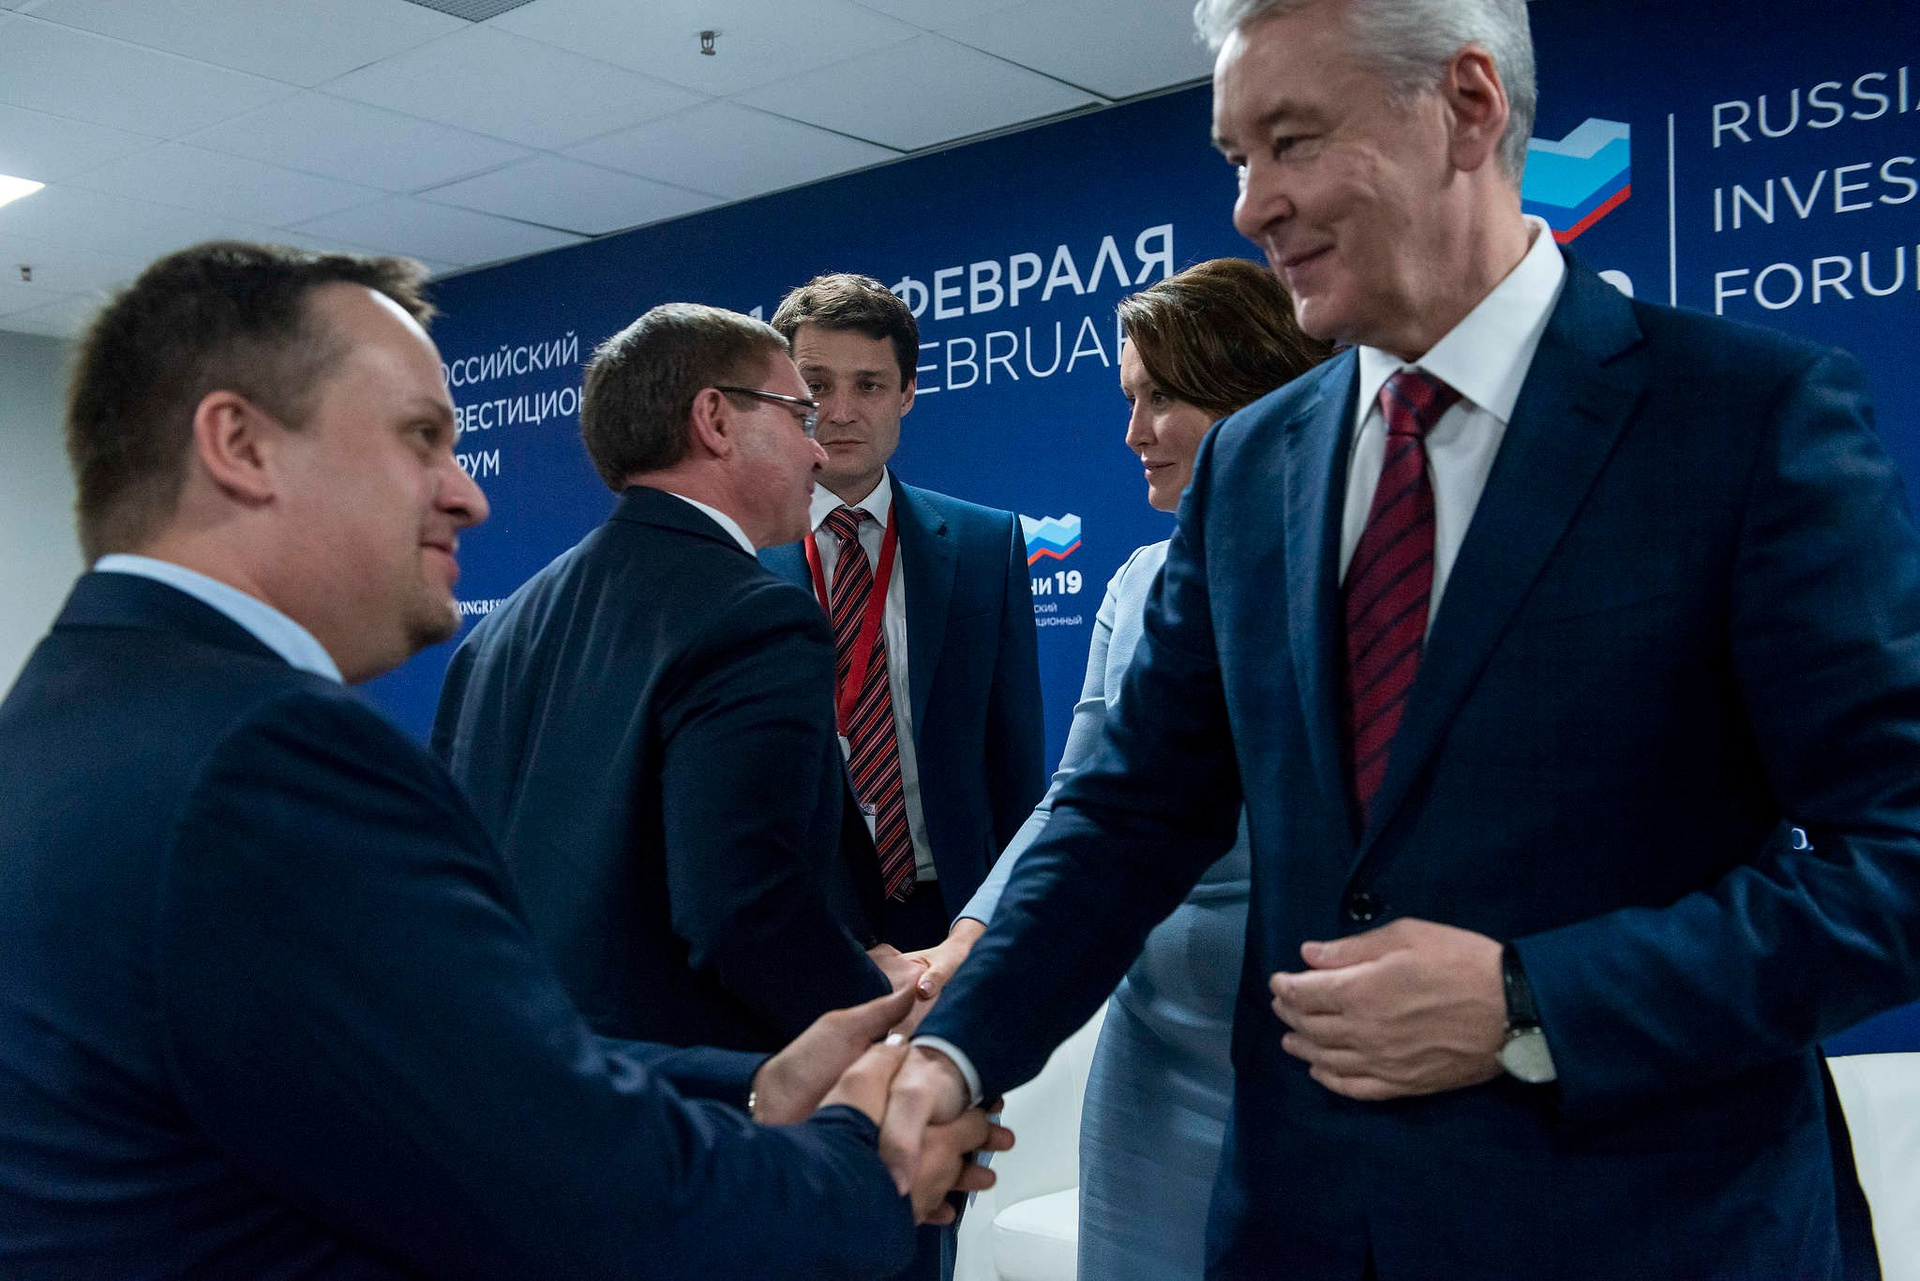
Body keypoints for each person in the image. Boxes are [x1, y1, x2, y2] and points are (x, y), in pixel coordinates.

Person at [889, 0, 1920, 1276]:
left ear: (1467, 108)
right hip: (1305, 1231)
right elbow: (1130, 811)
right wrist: (956, 1053)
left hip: (1652, 1231)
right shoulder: (1252, 465)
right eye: (1237, 157)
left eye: (1293, 141)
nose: (1252, 205)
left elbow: (1896, 858)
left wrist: (1529, 1002)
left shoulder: (1746, 418)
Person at [0, 241, 1001, 1278]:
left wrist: (754, 1088)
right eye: (421, 438)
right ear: (240, 445)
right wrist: (864, 1167)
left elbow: (447, 1068)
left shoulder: (62, 721)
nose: (466, 494)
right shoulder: (269, 757)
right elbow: (572, 1183)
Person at [912, 258, 1330, 1278]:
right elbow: (1081, 799)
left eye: (1163, 398)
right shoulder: (1140, 581)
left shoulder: (1356, 571)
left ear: (1259, 396)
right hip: (1157, 1058)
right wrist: (967, 941)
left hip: (1321, 1040)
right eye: (1129, 397)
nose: (1134, 432)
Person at [433, 303, 925, 1056]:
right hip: (697, 1098)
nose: (817, 452)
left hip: (523, 1071)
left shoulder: (499, 631)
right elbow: (744, 911)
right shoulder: (755, 618)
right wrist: (882, 1020)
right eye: (800, 415)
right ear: (715, 420)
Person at [759, 273, 1047, 958]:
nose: (841, 412)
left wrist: (1011, 929)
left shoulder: (986, 545)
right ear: (787, 398)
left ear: (908, 393)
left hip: (955, 915)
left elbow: (1015, 765)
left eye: (869, 385)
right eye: (817, 385)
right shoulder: (738, 554)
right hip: (793, 921)